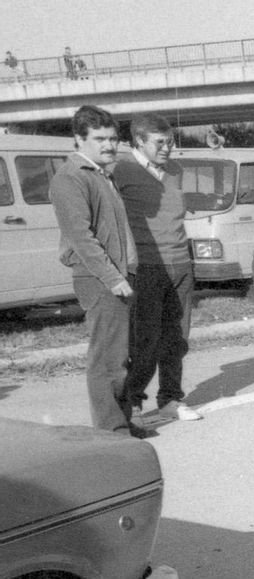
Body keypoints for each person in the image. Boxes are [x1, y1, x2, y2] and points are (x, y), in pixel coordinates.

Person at [49, 105, 145, 437]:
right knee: (107, 360)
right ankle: (111, 432)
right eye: (99, 138)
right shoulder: (71, 177)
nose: (109, 145)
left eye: (113, 138)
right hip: (101, 279)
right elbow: (82, 238)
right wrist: (114, 279)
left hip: (119, 276)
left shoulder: (102, 174)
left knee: (121, 357)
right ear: (79, 139)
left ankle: (122, 422)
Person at [113, 114, 202, 426]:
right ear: (139, 141)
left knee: (177, 338)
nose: (168, 148)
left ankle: (170, 399)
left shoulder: (175, 170)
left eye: (171, 142)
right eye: (160, 143)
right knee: (145, 340)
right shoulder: (121, 169)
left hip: (181, 265)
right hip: (147, 267)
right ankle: (132, 404)